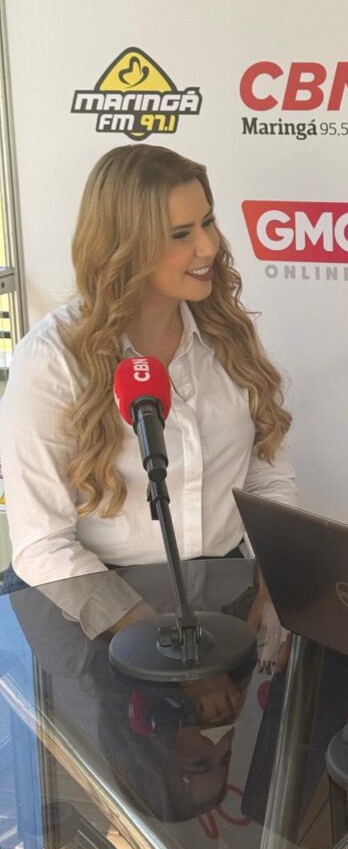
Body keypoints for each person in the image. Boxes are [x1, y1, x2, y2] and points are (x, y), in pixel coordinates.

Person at [0, 144, 297, 645]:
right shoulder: (52, 359)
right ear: (126, 246)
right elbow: (42, 543)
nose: (208, 247)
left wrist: (275, 583)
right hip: (93, 613)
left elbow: (266, 476)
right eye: (181, 235)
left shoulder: (229, 335)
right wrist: (163, 643)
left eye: (208, 222)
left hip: (227, 595)